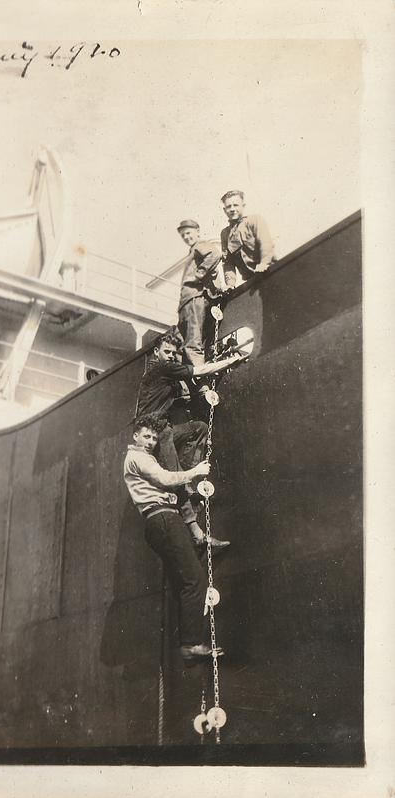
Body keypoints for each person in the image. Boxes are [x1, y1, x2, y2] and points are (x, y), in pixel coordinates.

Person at [123, 414, 225, 663]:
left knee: (186, 579)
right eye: (146, 436)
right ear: (135, 436)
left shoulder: (141, 457)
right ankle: (190, 644)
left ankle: (189, 642)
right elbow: (165, 479)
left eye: (154, 438)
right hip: (164, 519)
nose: (150, 441)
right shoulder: (138, 458)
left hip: (160, 522)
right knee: (195, 580)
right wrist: (196, 471)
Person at [136, 332, 242, 551]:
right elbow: (199, 370)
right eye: (167, 352)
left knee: (199, 429)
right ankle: (197, 534)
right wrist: (229, 361)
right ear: (156, 353)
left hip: (163, 429)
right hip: (154, 433)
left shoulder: (164, 373)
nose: (172, 356)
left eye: (175, 353)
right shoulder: (161, 368)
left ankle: (187, 479)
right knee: (177, 480)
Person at [176, 219, 223, 367]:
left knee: (192, 343)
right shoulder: (193, 250)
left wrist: (198, 275)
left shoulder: (199, 245)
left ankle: (200, 383)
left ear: (197, 231)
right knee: (188, 342)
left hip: (193, 298)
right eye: (183, 235)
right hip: (187, 301)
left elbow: (214, 254)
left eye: (188, 233)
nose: (186, 237)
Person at [220, 190, 275, 289]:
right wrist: (230, 283)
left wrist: (264, 263)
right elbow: (228, 262)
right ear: (224, 210)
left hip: (270, 271)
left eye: (236, 205)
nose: (232, 209)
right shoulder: (225, 234)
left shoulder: (254, 220)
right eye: (229, 206)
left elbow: (265, 243)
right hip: (251, 281)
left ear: (243, 206)